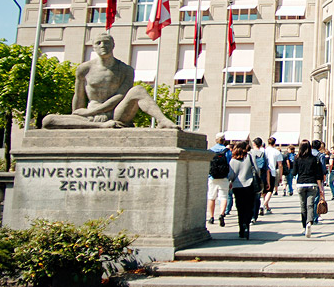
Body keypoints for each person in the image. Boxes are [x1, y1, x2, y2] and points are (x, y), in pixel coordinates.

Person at [42, 32, 179, 129]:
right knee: (48, 120)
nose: (103, 45)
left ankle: (162, 120)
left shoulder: (126, 70)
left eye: (106, 42)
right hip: (90, 116)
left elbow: (120, 96)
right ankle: (99, 126)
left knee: (138, 90)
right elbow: (78, 99)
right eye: (98, 43)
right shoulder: (84, 69)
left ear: (113, 45)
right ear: (94, 47)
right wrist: (82, 113)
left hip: (116, 113)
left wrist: (93, 112)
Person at [293, 139, 326, 238]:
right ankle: (309, 223)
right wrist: (321, 189)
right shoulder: (314, 159)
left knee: (303, 206)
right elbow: (318, 175)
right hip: (312, 184)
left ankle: (304, 226)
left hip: (301, 184)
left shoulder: (297, 158)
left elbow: (294, 172)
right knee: (310, 205)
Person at [227, 141, 258, 239]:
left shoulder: (232, 161)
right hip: (249, 185)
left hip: (237, 186)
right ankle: (247, 225)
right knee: (249, 207)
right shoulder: (249, 157)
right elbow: (257, 170)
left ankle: (241, 228)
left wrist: (232, 180)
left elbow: (230, 175)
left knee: (240, 208)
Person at [207, 132, 231, 226]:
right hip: (224, 176)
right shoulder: (227, 151)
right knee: (224, 197)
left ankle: (211, 217)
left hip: (212, 176)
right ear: (224, 140)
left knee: (211, 197)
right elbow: (229, 163)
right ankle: (221, 214)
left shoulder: (211, 150)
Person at [262, 137, 283, 214]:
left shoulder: (264, 151)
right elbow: (280, 165)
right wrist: (280, 176)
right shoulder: (277, 152)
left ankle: (266, 206)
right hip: (272, 171)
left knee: (264, 190)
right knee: (270, 190)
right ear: (274, 143)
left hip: (265, 171)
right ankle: (264, 205)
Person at [250, 137, 268, 222]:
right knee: (257, 197)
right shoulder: (262, 154)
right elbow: (264, 168)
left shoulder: (249, 153)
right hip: (259, 178)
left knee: (249, 197)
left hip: (249, 177)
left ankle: (250, 215)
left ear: (254, 144)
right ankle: (254, 216)